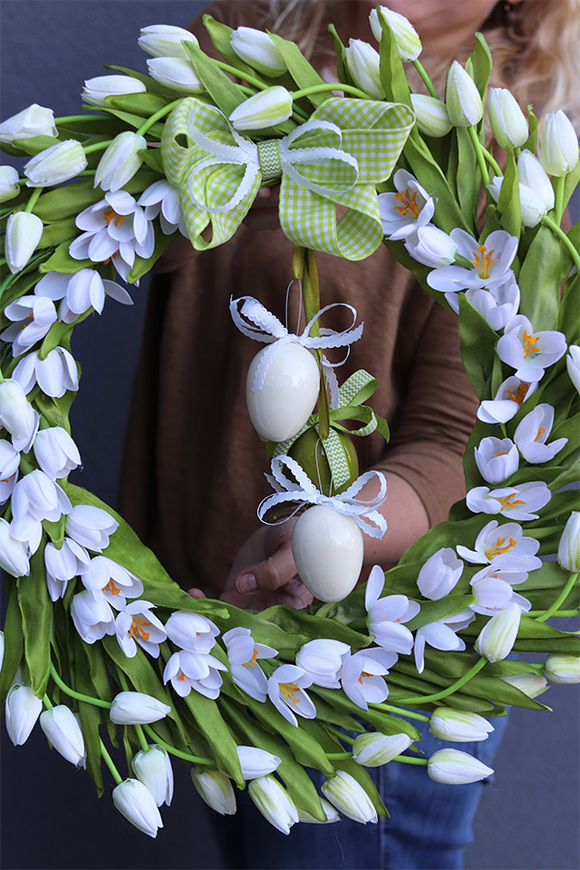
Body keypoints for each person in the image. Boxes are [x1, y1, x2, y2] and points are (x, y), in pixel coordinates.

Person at [119, 1, 579, 867]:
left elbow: (464, 442)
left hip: (369, 666)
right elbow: (135, 252)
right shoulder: (242, 52)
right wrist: (198, 191)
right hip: (203, 625)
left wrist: (325, 530)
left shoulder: (505, 140)